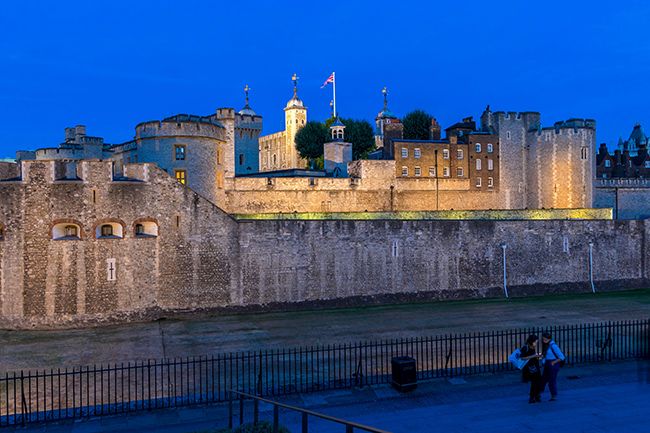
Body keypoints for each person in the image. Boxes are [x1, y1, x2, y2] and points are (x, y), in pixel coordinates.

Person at [541, 331, 566, 401]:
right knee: (543, 379)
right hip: (547, 363)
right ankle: (539, 392)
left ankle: (553, 395)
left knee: (551, 380)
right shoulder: (546, 345)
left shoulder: (553, 346)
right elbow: (546, 355)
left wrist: (553, 362)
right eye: (543, 339)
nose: (544, 341)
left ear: (549, 339)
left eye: (545, 339)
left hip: (553, 364)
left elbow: (562, 357)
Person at [519, 334, 543, 403]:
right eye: (535, 342)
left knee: (538, 381)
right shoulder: (525, 347)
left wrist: (537, 356)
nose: (536, 343)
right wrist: (534, 356)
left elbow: (532, 356)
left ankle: (536, 395)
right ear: (531, 341)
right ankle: (532, 397)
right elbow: (522, 358)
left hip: (535, 365)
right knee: (535, 382)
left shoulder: (532, 346)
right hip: (530, 367)